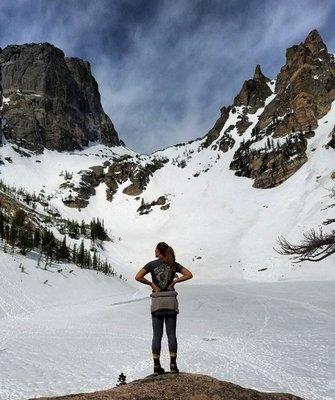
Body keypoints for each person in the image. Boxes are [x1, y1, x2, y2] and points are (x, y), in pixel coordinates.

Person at [135, 242, 193, 375]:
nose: (154, 251)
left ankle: (156, 366)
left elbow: (137, 276)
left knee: (157, 335)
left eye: (155, 249)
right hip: (171, 301)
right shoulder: (173, 264)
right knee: (171, 334)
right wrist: (175, 282)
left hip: (157, 301)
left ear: (159, 252)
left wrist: (152, 285)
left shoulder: (151, 265)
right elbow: (189, 274)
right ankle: (173, 365)